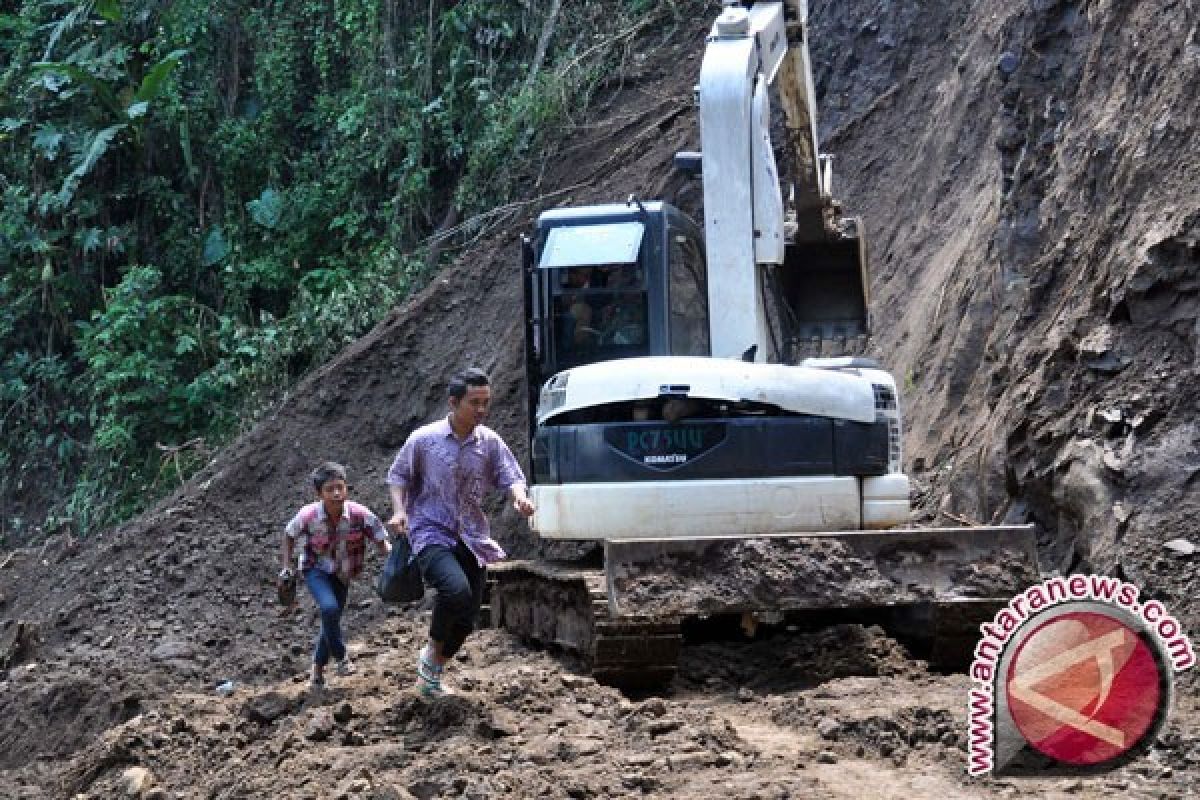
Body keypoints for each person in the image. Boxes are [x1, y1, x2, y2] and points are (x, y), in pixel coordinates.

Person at [386, 367, 535, 697]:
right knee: (456, 591)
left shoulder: (489, 442)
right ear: (453, 403)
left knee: (467, 621)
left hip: (471, 535)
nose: (481, 410)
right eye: (474, 403)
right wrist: (399, 511)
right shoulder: (424, 440)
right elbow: (398, 477)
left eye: (486, 402)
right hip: (430, 531)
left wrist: (519, 498)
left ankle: (432, 662)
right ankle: (430, 662)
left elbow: (511, 477)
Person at [282, 461, 391, 690]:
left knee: (330, 620)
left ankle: (318, 673)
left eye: (340, 487)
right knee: (329, 609)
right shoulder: (309, 515)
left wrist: (395, 557)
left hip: (343, 574)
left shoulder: (360, 515)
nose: (337, 493)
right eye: (330, 489)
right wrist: (286, 566)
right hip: (315, 570)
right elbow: (289, 534)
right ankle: (341, 657)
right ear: (319, 494)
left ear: (346, 488)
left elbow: (382, 541)